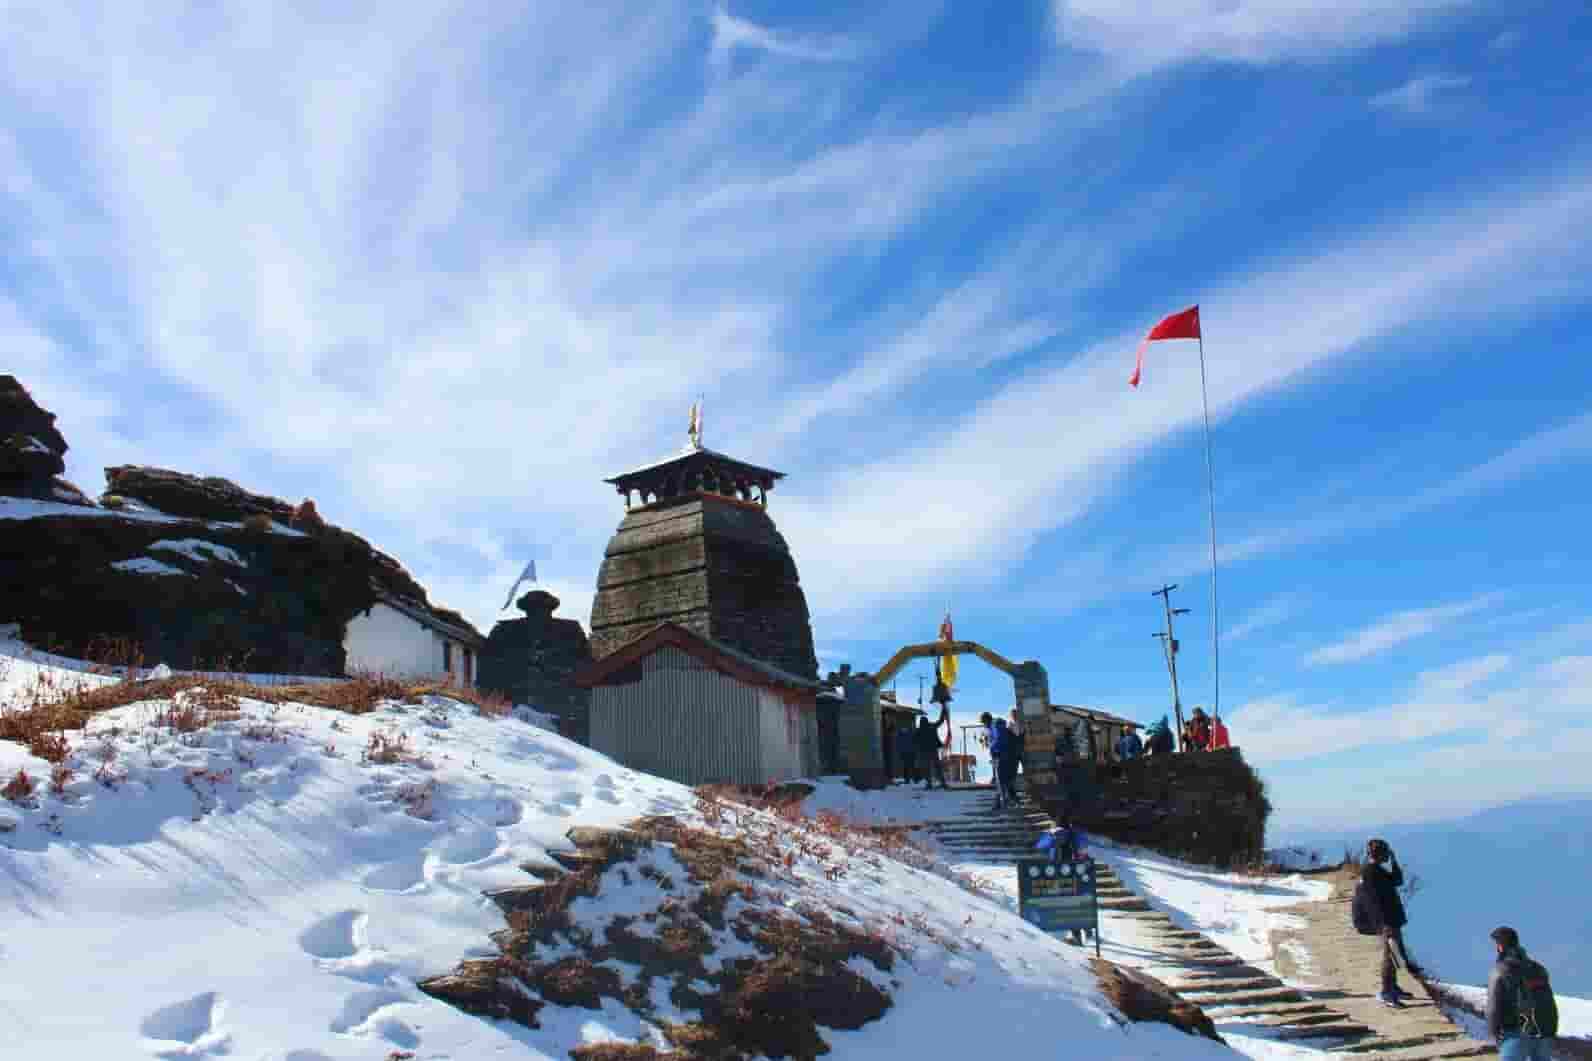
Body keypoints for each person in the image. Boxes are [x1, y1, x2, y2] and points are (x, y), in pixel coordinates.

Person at [1362, 838, 1419, 1007]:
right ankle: (1386, 991)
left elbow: (1397, 880)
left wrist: (1394, 861)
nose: (1388, 855)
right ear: (1379, 854)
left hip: (1391, 920)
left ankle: (1393, 987)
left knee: (1394, 956)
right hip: (1387, 921)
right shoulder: (1371, 871)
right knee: (1390, 956)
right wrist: (1384, 922)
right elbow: (1376, 900)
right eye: (1386, 852)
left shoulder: (1377, 869)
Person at [1487, 926, 1558, 1059]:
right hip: (1543, 1033)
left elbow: (1493, 1007)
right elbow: (1549, 1001)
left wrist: (1493, 1035)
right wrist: (1550, 1032)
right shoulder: (1538, 968)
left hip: (1514, 1033)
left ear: (1500, 946)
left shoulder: (1501, 970)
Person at [916, 715, 947, 789]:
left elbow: (915, 741)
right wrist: (944, 712)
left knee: (927, 768)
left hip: (924, 751)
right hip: (933, 750)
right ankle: (942, 782)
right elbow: (940, 722)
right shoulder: (932, 727)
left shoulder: (919, 730)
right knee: (937, 767)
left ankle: (929, 783)